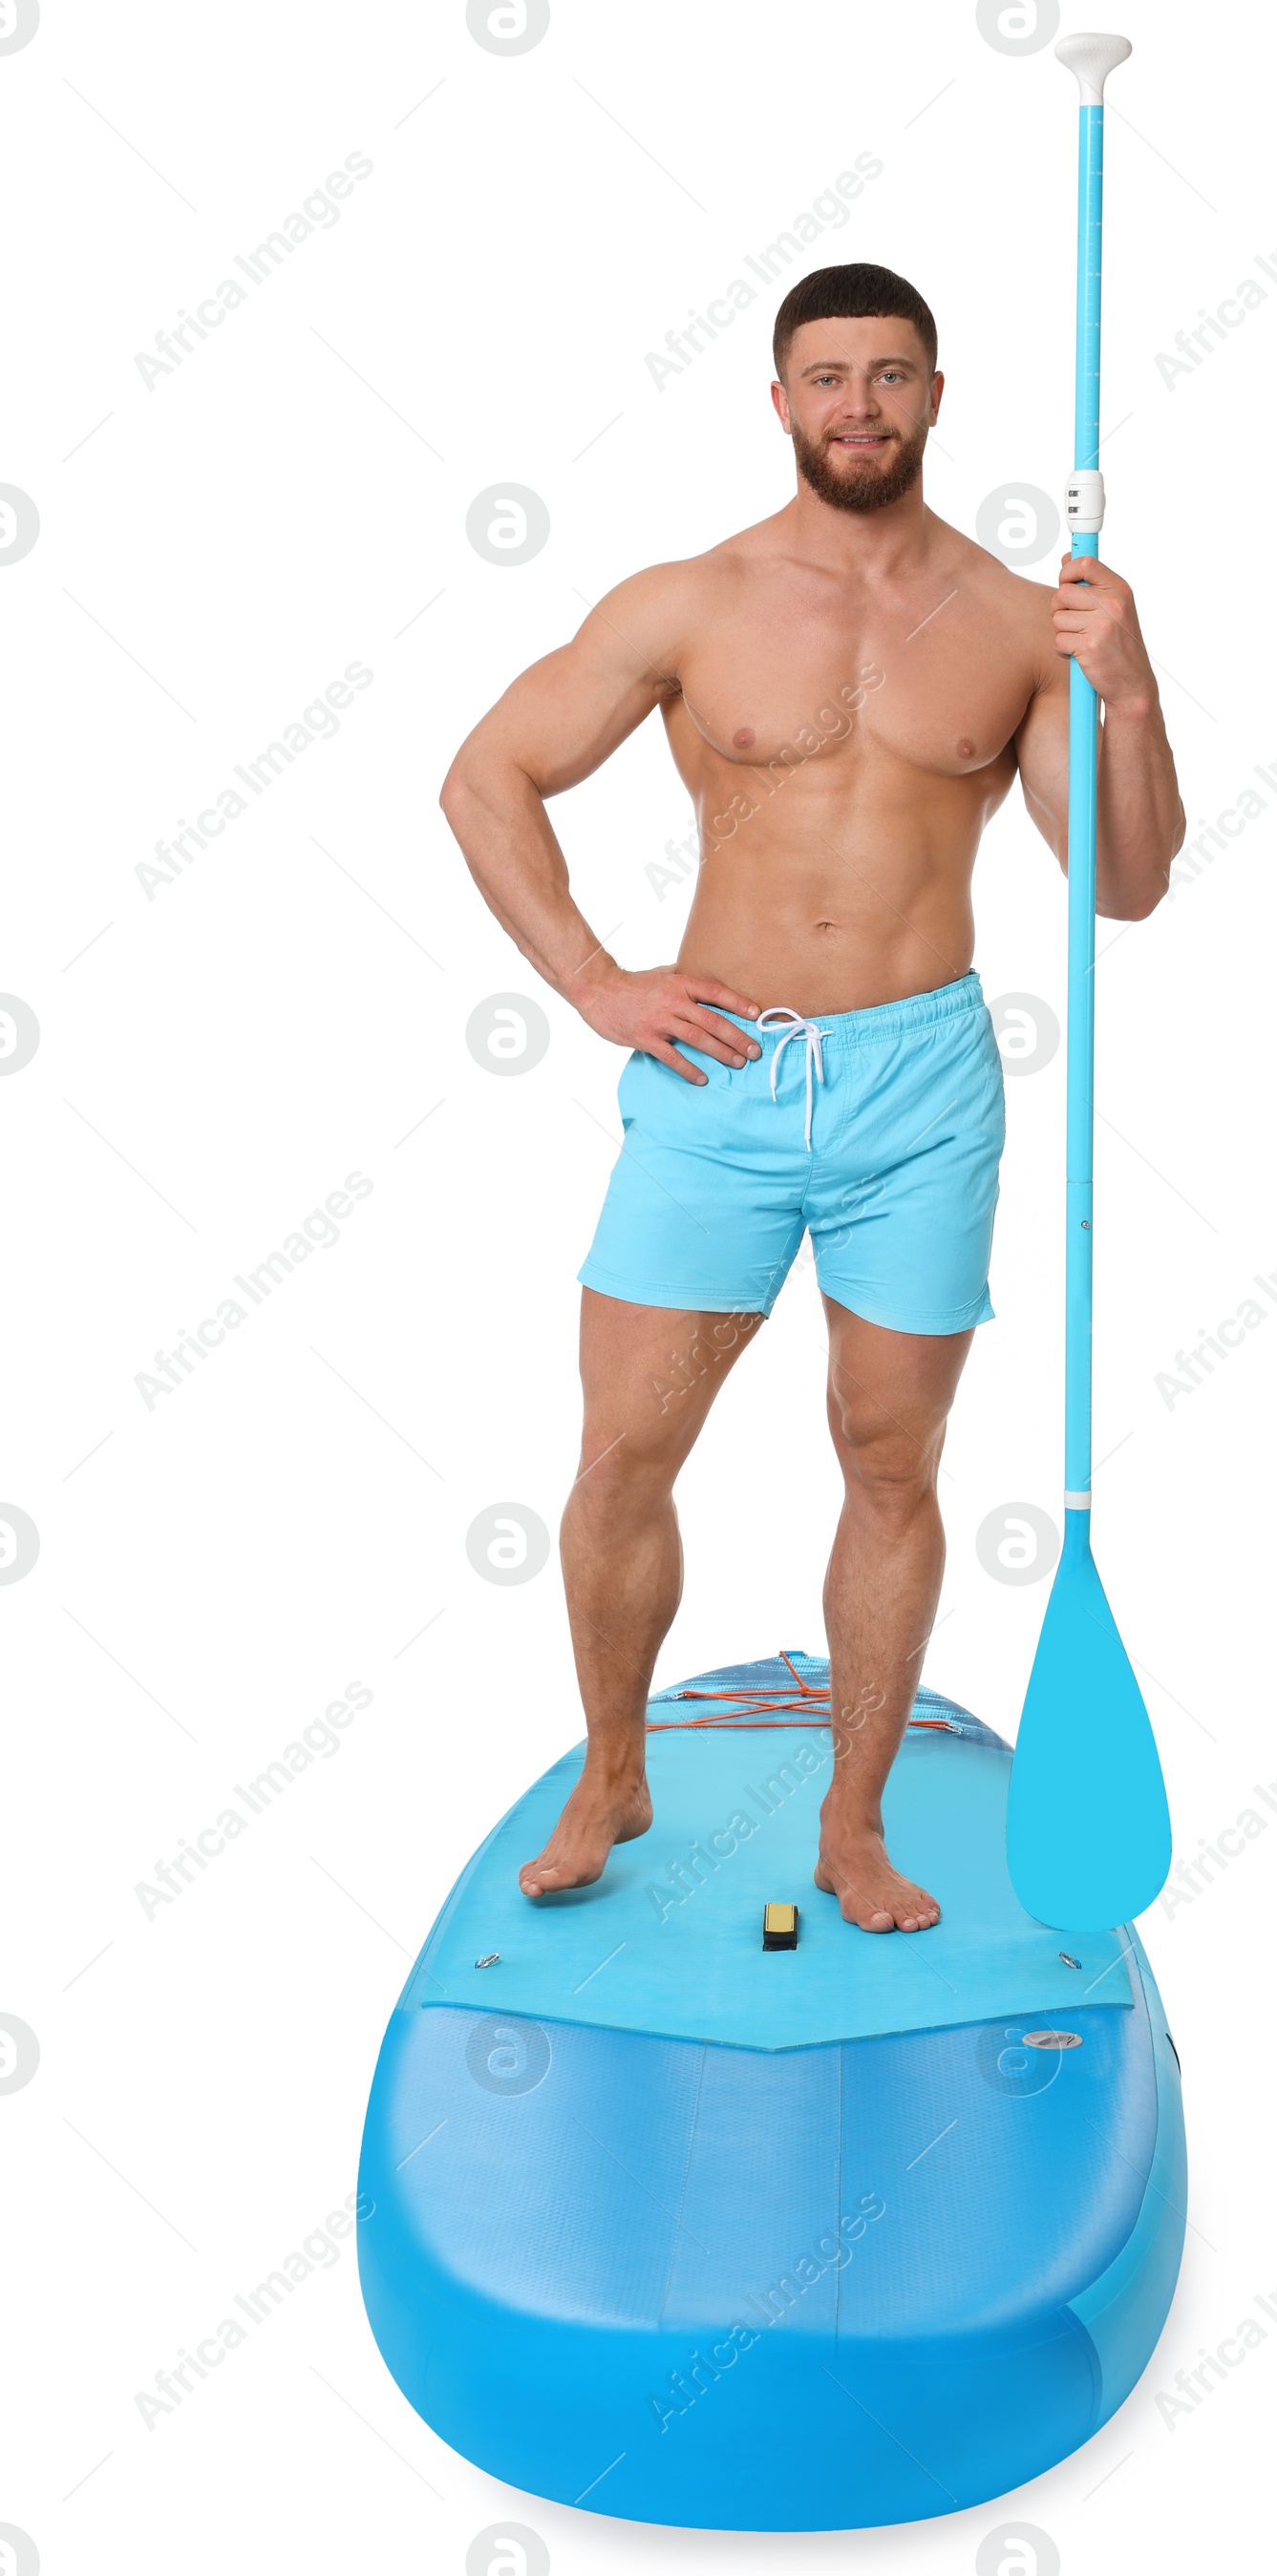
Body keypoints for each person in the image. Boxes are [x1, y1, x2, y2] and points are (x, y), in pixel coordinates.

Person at [440, 261, 1182, 1932]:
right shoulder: (690, 600)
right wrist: (593, 981)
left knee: (890, 1458)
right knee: (627, 1450)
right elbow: (486, 774)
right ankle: (615, 1766)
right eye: (828, 376)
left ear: (935, 395)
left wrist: (1126, 685)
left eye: (891, 374)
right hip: (720, 1079)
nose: (860, 404)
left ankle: (852, 1827)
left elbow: (1122, 881)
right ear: (779, 402)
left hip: (919, 1089)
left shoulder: (1013, 620)